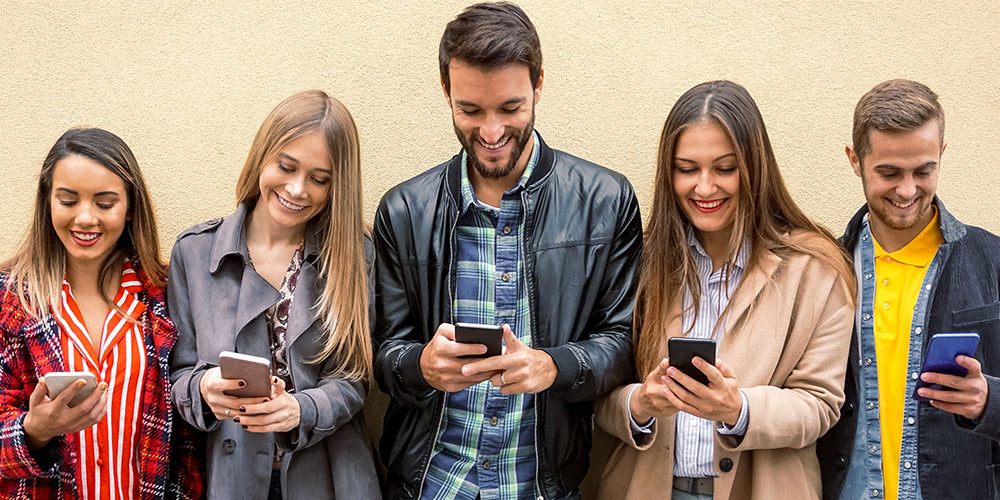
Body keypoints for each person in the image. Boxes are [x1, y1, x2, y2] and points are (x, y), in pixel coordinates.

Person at [372, 2, 642, 499]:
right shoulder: (404, 210)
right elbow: (385, 354)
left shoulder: (608, 201)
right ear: (445, 91)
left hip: (544, 486)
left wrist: (554, 365)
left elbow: (624, 343)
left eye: (511, 108)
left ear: (539, 85)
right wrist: (422, 366)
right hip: (430, 485)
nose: (492, 133)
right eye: (470, 111)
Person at [595, 80, 856, 500]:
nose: (704, 187)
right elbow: (598, 388)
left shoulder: (816, 269)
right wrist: (640, 403)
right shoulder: (641, 261)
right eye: (686, 169)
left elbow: (821, 404)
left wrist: (738, 410)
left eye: (725, 168)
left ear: (755, 166)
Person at [168, 90, 380, 500]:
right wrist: (205, 388)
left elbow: (354, 378)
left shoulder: (353, 255)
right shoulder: (194, 253)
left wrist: (300, 410)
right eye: (286, 166)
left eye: (319, 179)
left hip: (330, 476)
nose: (297, 189)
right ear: (262, 155)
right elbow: (177, 375)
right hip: (232, 476)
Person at [817, 79, 1000, 500]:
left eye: (923, 170)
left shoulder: (991, 261)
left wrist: (988, 400)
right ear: (854, 160)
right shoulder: (824, 268)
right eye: (889, 172)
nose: (906, 190)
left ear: (942, 155)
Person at [0, 128, 201, 499]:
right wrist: (34, 430)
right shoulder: (10, 300)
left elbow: (191, 434)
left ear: (129, 208)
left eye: (105, 203)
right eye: (68, 201)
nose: (85, 218)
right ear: (48, 203)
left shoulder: (166, 297)